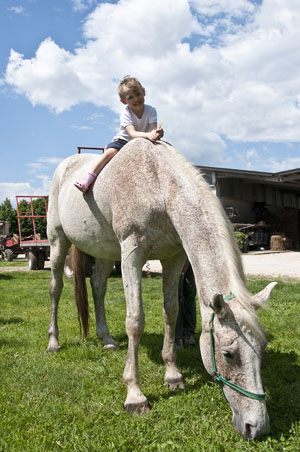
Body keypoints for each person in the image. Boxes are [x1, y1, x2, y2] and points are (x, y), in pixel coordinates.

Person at [74, 76, 164, 192]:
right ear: (123, 101)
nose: (136, 99)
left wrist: (157, 133)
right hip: (123, 141)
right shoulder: (126, 112)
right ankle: (88, 180)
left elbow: (153, 129)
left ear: (144, 92)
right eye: (130, 97)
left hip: (144, 142)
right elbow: (132, 133)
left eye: (138, 94)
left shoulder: (151, 110)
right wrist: (148, 135)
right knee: (109, 153)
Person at [175, 260, 197, 350]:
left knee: (190, 294)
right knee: (176, 295)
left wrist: (184, 269)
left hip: (190, 258)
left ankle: (188, 333)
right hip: (174, 256)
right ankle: (176, 336)